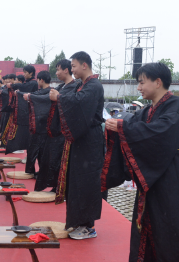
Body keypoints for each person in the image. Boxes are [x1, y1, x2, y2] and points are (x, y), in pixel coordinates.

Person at [103, 62, 179, 261]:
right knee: (146, 227)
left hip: (169, 182)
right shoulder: (148, 111)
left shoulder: (175, 108)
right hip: (150, 183)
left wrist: (122, 128)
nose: (138, 88)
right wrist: (118, 126)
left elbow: (158, 134)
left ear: (158, 82)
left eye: (141, 82)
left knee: (166, 230)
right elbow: (132, 124)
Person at [49, 52, 104, 240]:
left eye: (73, 66)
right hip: (80, 140)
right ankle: (78, 222)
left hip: (90, 141)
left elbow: (80, 105)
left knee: (87, 182)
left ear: (84, 65)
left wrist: (60, 99)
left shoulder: (94, 86)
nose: (71, 70)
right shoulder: (82, 84)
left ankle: (89, 227)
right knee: (76, 182)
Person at [25, 60, 79, 191]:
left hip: (65, 131)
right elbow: (45, 99)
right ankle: (55, 185)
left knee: (62, 161)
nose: (57, 73)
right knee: (50, 160)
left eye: (58, 69)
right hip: (54, 130)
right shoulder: (61, 87)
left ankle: (62, 188)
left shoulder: (76, 86)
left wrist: (58, 97)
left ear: (66, 70)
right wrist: (31, 97)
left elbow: (74, 106)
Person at [23, 70, 53, 177]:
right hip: (37, 126)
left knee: (43, 153)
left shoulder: (51, 93)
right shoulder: (41, 92)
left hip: (45, 127)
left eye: (38, 80)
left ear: (41, 80)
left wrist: (30, 97)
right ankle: (35, 171)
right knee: (34, 150)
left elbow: (40, 99)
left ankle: (43, 173)